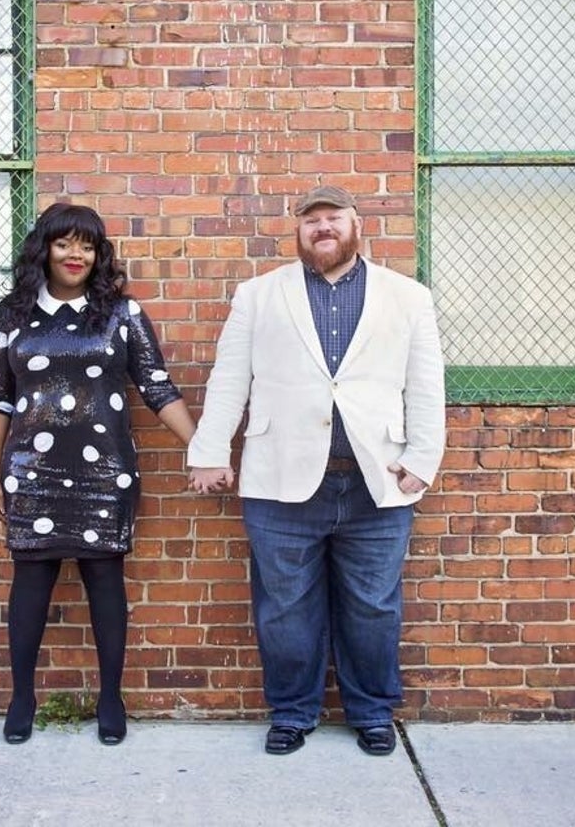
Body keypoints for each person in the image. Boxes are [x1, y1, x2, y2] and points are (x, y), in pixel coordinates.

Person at [187, 185, 445, 757]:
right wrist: (209, 451)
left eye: (334, 218)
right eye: (311, 220)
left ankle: (372, 713)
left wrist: (423, 460)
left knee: (374, 607)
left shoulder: (407, 297)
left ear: (357, 226)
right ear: (298, 231)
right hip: (279, 479)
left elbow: (426, 385)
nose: (322, 227)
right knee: (283, 608)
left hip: (376, 480)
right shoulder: (258, 295)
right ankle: (291, 712)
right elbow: (230, 378)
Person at [0, 203, 196, 746]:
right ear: (44, 250)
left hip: (106, 473)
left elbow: (157, 386)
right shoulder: (13, 316)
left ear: (99, 255)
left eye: (87, 245)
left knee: (105, 582)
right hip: (31, 473)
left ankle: (110, 698)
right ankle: (22, 697)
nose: (76, 255)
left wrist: (201, 448)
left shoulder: (122, 314)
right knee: (31, 583)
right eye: (64, 243)